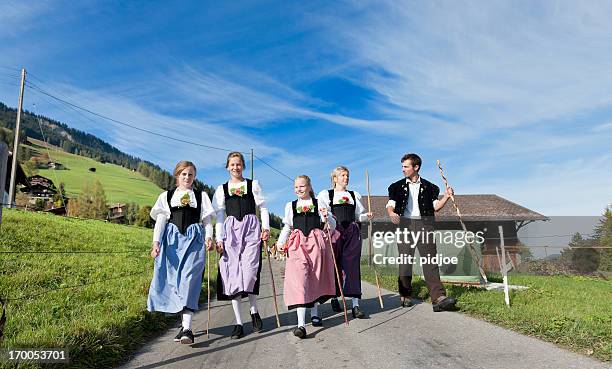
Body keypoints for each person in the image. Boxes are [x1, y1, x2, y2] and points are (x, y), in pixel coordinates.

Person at [147, 160, 214, 344]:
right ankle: (183, 325)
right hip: (172, 242)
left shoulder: (201, 197)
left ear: (194, 177)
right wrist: (156, 243)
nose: (187, 177)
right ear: (177, 175)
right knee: (175, 282)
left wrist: (209, 237)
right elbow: (160, 222)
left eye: (190, 174)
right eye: (184, 174)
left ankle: (187, 329)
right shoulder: (166, 196)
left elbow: (207, 221)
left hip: (194, 241)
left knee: (190, 280)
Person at [386, 153, 456, 312]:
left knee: (430, 262)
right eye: (402, 166)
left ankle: (438, 298)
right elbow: (390, 204)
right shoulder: (395, 186)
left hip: (425, 225)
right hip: (405, 224)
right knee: (405, 261)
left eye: (406, 166)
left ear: (416, 167)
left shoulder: (430, 187)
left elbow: (436, 207)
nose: (403, 169)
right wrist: (391, 213)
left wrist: (446, 196)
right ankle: (405, 295)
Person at [213, 152, 270, 339]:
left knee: (250, 271)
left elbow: (263, 207)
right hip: (230, 232)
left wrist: (266, 227)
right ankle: (238, 323)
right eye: (232, 164)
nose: (235, 167)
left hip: (251, 229)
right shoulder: (222, 189)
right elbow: (220, 215)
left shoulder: (253, 184)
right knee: (232, 275)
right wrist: (219, 238)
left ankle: (254, 311)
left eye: (238, 164)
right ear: (227, 167)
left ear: (243, 166)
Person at [277, 175, 337, 338]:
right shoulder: (290, 206)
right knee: (300, 281)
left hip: (316, 244)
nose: (298, 190)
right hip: (297, 246)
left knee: (314, 278)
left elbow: (332, 226)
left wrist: (327, 217)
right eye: (296, 187)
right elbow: (287, 226)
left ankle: (315, 313)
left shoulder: (319, 203)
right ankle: (301, 324)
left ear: (309, 187)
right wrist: (280, 242)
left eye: (302, 186)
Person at [317, 166, 373, 319]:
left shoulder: (354, 195)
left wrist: (366, 216)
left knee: (352, 266)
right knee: (334, 265)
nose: (346, 178)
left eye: (347, 175)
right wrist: (325, 218)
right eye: (342, 175)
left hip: (352, 232)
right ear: (334, 178)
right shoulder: (326, 194)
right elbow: (323, 213)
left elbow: (358, 216)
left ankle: (355, 305)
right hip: (335, 232)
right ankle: (335, 297)